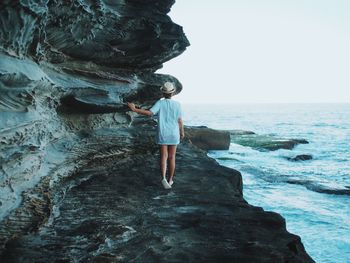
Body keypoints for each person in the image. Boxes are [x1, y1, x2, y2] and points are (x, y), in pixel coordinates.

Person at [127, 82, 184, 189]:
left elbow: (150, 113)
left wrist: (134, 109)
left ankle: (163, 178)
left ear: (163, 92)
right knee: (172, 157)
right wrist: (182, 132)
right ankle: (170, 180)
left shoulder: (160, 103)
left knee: (164, 157)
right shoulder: (177, 104)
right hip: (174, 134)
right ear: (172, 93)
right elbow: (180, 120)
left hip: (163, 133)